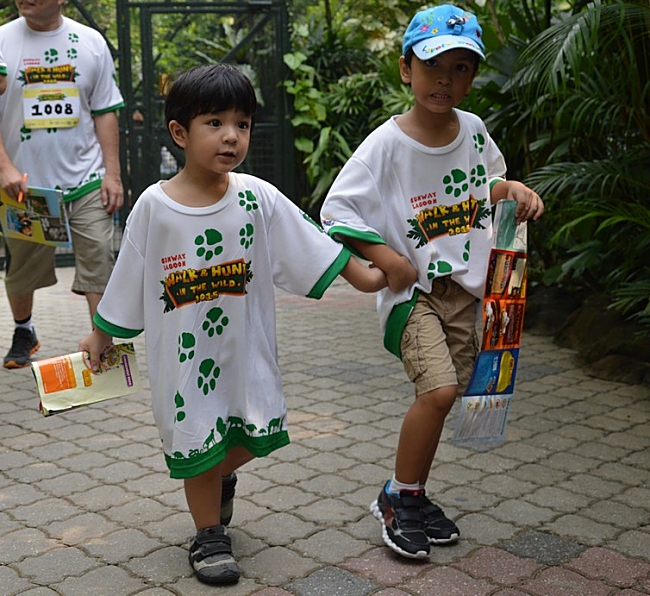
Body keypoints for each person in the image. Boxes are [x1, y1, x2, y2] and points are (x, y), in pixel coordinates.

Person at [78, 63, 387, 585]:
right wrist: (101, 334)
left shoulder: (254, 196)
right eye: (215, 123)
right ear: (180, 132)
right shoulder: (155, 207)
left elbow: (307, 243)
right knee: (196, 437)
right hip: (183, 359)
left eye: (241, 124)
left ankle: (219, 478)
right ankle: (208, 536)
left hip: (245, 350)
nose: (231, 136)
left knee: (255, 431)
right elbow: (127, 275)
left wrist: (367, 276)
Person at [320, 4, 544, 560]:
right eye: (433, 64)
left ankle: (407, 492)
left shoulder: (473, 131)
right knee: (438, 390)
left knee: (450, 395)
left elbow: (485, 184)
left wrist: (513, 190)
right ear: (406, 69)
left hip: (467, 292)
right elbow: (336, 211)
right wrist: (387, 260)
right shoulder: (385, 146)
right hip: (412, 294)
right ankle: (400, 500)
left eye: (462, 67)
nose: (446, 78)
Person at [0, 0, 124, 369]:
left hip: (86, 178)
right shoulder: (2, 41)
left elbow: (105, 112)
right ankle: (25, 329)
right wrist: (4, 168)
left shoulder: (90, 42)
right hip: (24, 184)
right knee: (22, 265)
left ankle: (102, 342)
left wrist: (112, 173)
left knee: (99, 255)